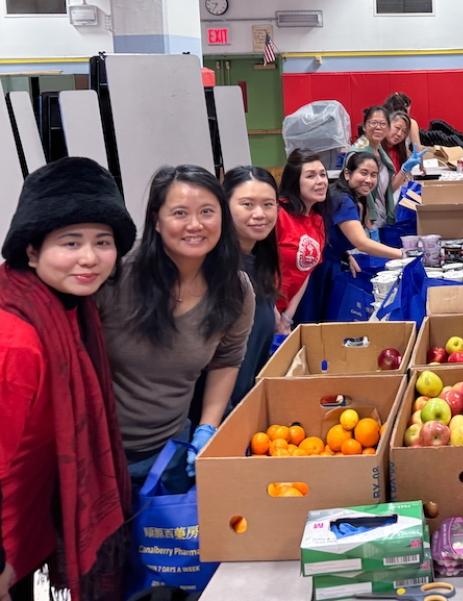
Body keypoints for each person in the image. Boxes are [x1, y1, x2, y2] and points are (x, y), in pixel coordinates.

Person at [0, 158, 135, 601]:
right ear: (32, 250)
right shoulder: (16, 340)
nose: (89, 258)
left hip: (31, 536)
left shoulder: (72, 312)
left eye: (103, 242)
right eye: (70, 242)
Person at [97, 165, 254, 494]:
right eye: (180, 213)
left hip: (169, 453)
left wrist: (208, 427)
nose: (195, 225)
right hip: (99, 456)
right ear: (157, 220)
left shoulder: (234, 290)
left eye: (207, 212)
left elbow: (226, 360)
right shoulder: (116, 278)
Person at [296, 151, 403, 324]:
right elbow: (361, 243)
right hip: (320, 269)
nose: (369, 180)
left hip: (329, 260)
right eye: (363, 173)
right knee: (314, 321)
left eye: (374, 175)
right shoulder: (343, 200)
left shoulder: (350, 197)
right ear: (347, 173)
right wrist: (402, 254)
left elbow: (329, 231)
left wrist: (344, 254)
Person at [222, 166, 287, 407]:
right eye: (247, 204)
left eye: (268, 204)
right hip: (225, 411)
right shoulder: (220, 271)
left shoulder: (260, 258)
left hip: (251, 400)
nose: (260, 214)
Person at [274, 150, 328, 321]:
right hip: (262, 308)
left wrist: (287, 316)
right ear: (294, 181)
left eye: (322, 174)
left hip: (285, 310)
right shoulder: (278, 214)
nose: (320, 181)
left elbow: (306, 271)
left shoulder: (317, 219)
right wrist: (274, 316)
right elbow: (258, 269)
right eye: (311, 176)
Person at [351, 105, 400, 230]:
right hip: (363, 220)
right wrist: (366, 213)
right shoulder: (357, 153)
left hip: (380, 216)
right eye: (373, 123)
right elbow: (351, 189)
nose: (378, 127)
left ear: (388, 128)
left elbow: (385, 187)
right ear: (364, 126)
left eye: (383, 124)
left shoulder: (380, 151)